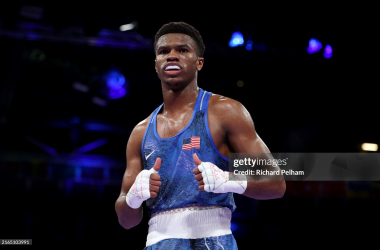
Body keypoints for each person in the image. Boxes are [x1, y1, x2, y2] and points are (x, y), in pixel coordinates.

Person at [115, 21, 286, 249]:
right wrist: (134, 197)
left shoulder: (225, 111)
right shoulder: (140, 132)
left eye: (182, 50)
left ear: (199, 62)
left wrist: (228, 180)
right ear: (156, 65)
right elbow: (126, 221)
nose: (172, 56)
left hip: (215, 241)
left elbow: (275, 184)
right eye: (164, 52)